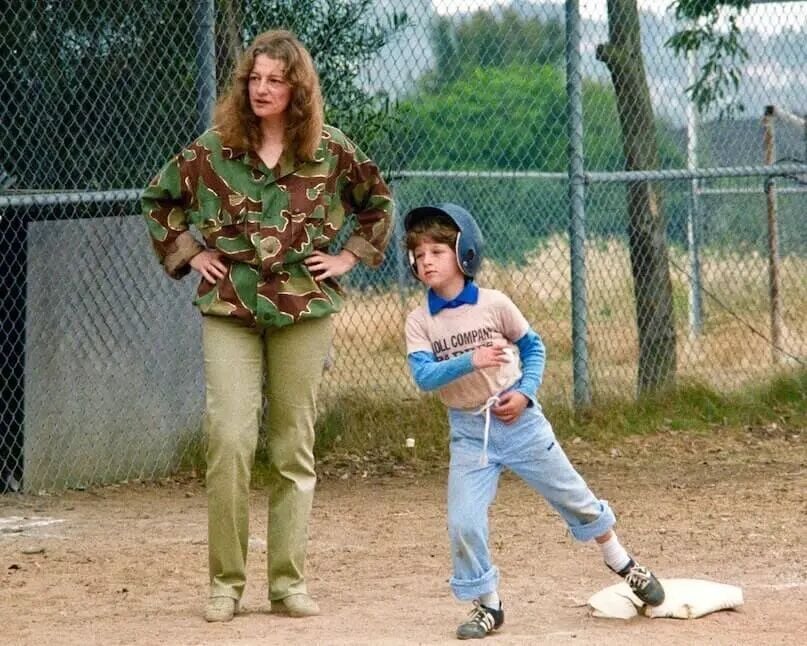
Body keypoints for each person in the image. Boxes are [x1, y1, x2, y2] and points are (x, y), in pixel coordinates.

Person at [142, 30, 394, 622]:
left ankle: (287, 585)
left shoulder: (331, 151)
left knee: (292, 448)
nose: (261, 89)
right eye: (254, 79)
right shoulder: (213, 149)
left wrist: (347, 257)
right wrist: (190, 254)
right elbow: (159, 199)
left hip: (303, 307)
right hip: (229, 305)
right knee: (229, 439)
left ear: (297, 88)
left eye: (275, 80)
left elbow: (376, 203)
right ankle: (225, 585)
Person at [402, 203, 664, 640]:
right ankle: (489, 605)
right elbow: (425, 376)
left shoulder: (494, 304)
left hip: (520, 424)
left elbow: (534, 349)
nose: (425, 260)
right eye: (418, 253)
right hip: (470, 432)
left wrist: (525, 393)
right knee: (463, 522)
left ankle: (622, 562)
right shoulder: (419, 320)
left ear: (464, 252)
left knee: (575, 497)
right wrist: (472, 360)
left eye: (437, 251)